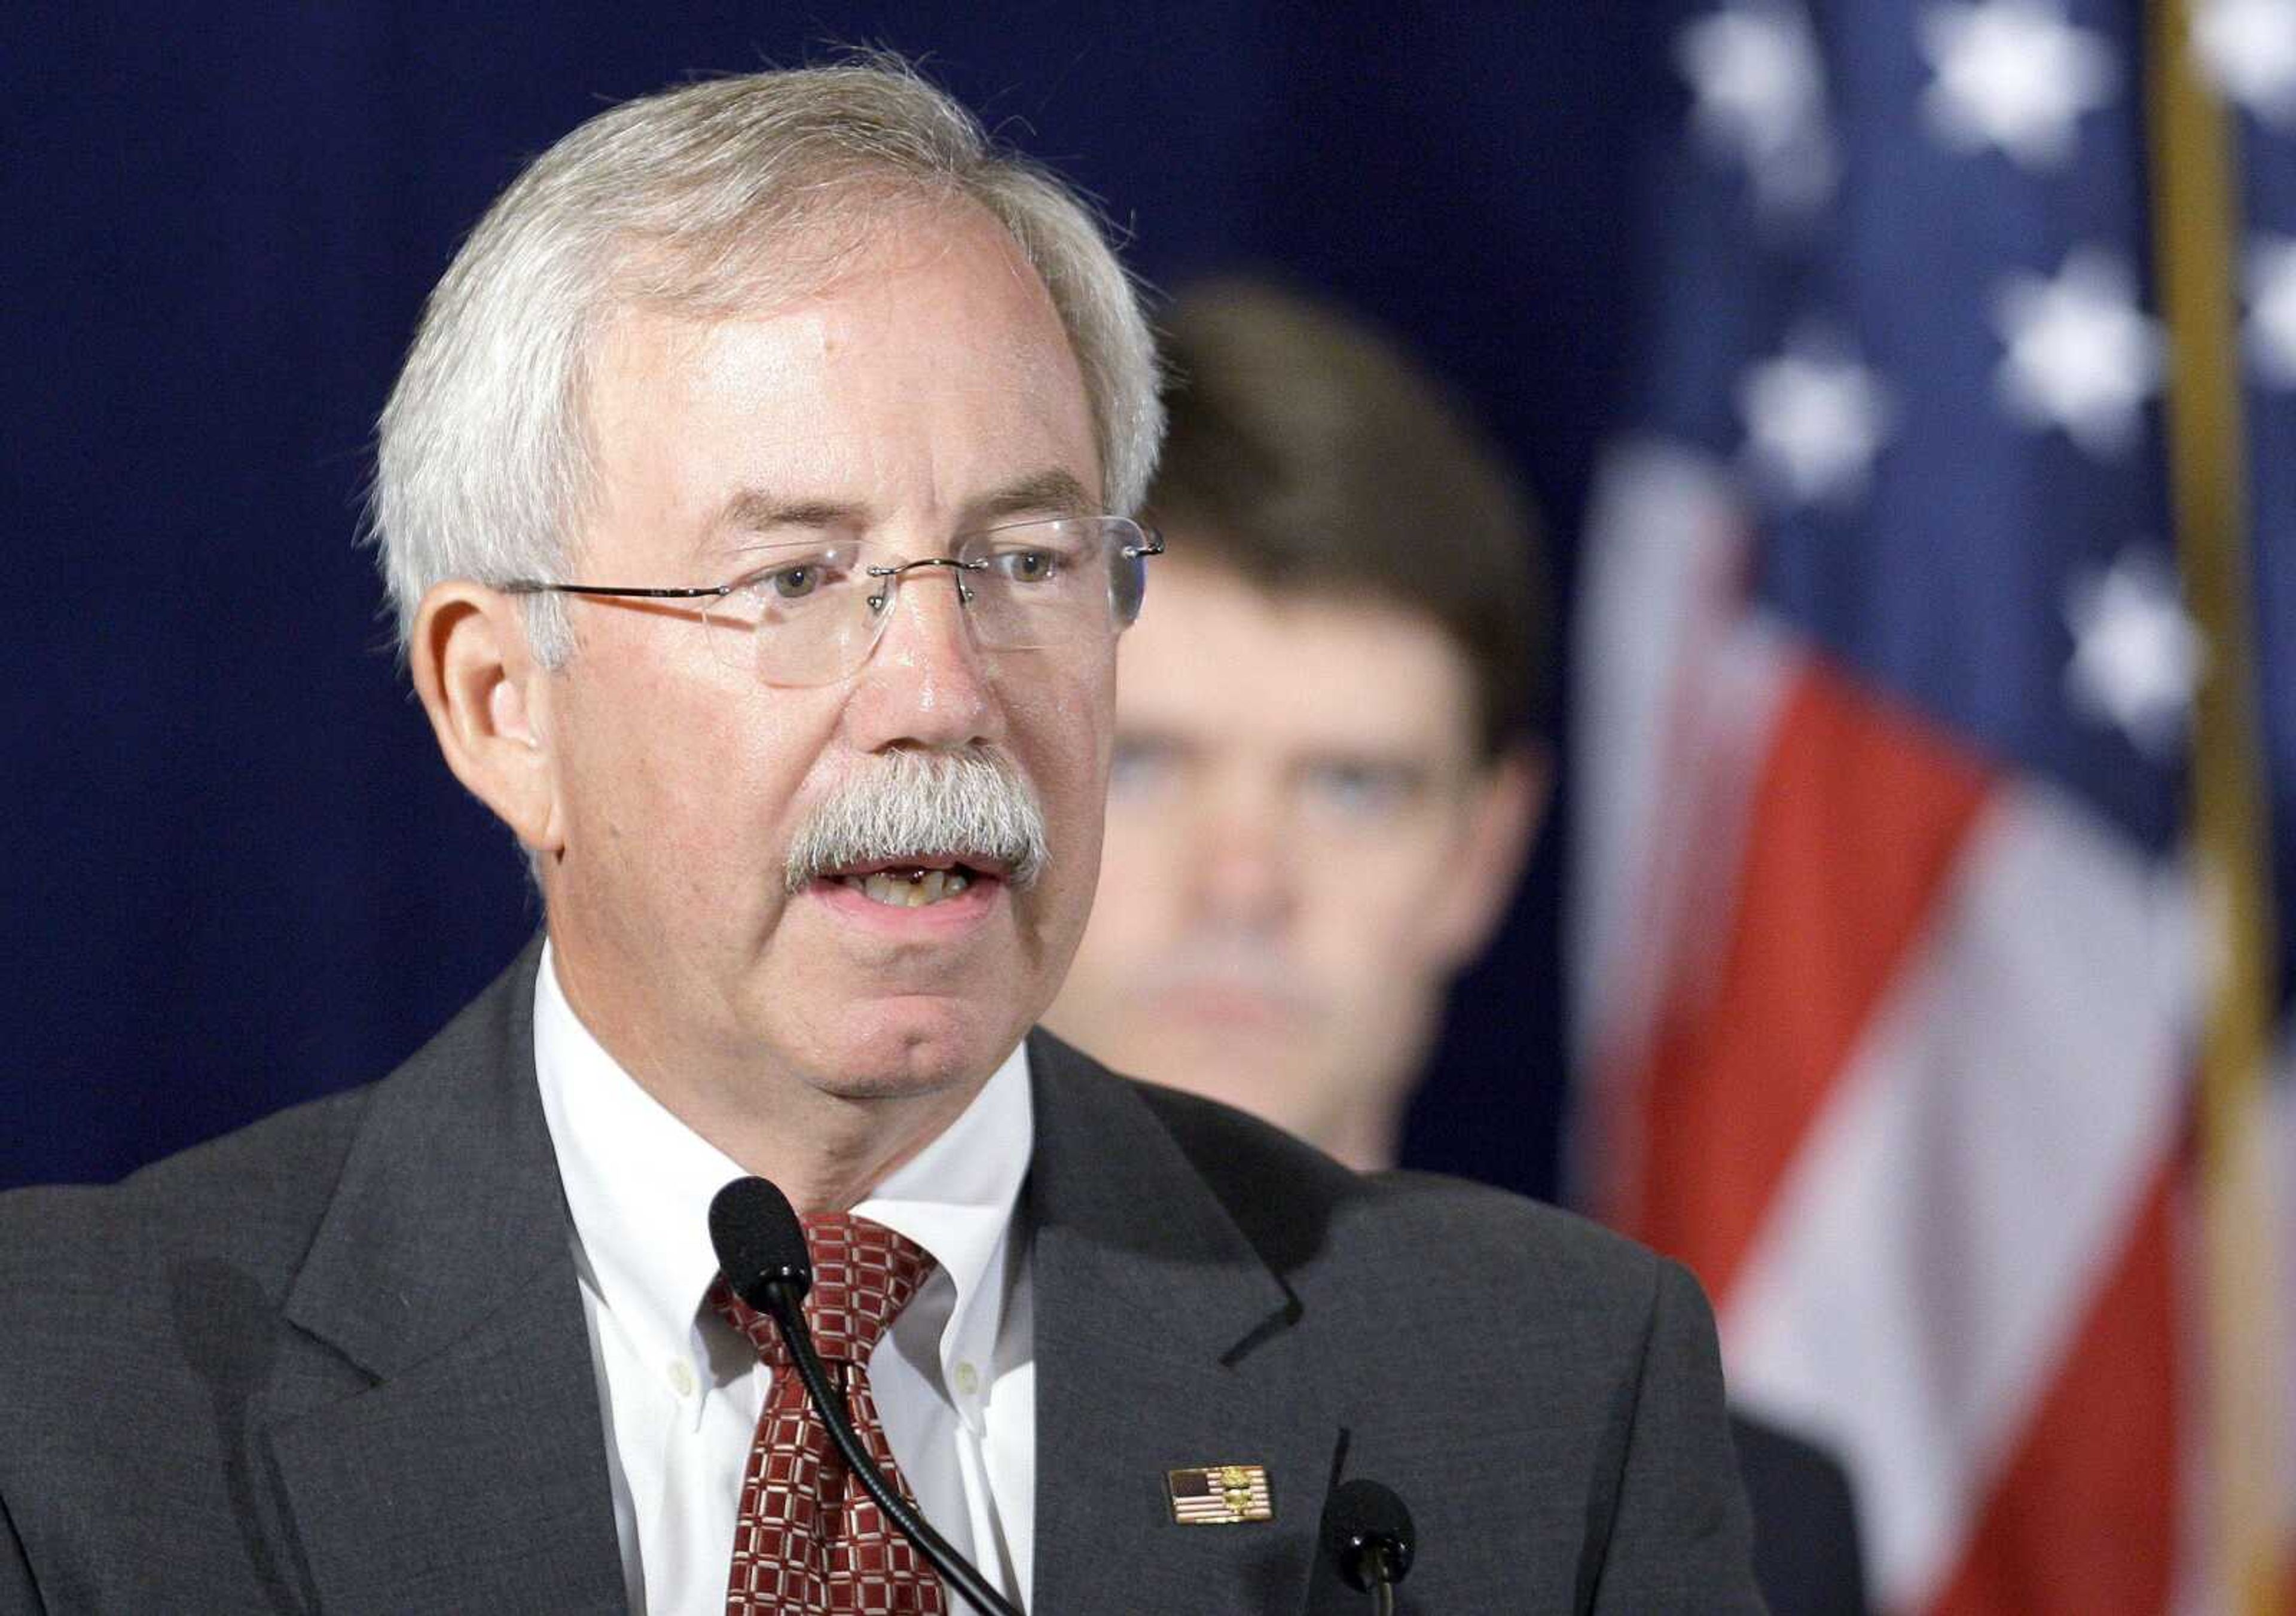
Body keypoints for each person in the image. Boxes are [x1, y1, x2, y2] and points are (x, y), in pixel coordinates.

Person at [0, 63, 1760, 1614]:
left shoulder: (1538, 1392)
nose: (940, 687)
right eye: (792, 577)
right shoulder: (72, 1403)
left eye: (1027, 561)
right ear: (500, 700)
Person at [1046, 277, 1868, 1616]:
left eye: (1352, 787)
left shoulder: (1745, 1511)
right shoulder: (819, 1424)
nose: (1245, 882)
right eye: (1146, 765)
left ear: (1484, 852)